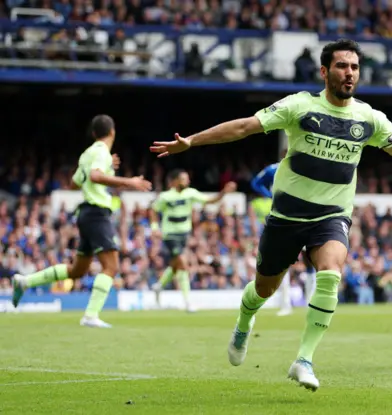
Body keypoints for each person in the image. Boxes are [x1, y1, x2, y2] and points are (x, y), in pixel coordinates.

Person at [150, 38, 392, 391]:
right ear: (325, 71)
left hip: (332, 215)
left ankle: (304, 359)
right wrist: (191, 141)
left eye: (355, 67)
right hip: (287, 216)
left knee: (331, 272)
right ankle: (244, 320)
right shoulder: (299, 106)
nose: (350, 73)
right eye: (342, 66)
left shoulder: (368, 118)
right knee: (264, 288)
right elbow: (244, 127)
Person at [11, 114, 152, 327]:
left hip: (86, 214)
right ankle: (90, 315)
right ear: (112, 132)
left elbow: (76, 183)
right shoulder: (100, 152)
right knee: (111, 266)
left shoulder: (87, 154)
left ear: (94, 133)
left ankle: (24, 281)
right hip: (96, 213)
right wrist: (128, 182)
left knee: (77, 270)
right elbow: (95, 177)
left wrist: (107, 168)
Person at [150, 169, 236, 312]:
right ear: (175, 181)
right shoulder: (165, 197)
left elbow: (210, 200)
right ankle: (188, 302)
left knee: (176, 266)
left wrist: (224, 192)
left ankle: (158, 286)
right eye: (184, 179)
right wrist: (154, 227)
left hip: (184, 235)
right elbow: (153, 210)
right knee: (183, 264)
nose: (187, 181)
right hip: (170, 235)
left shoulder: (191, 193)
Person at [251, 162, 295, 316]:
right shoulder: (273, 169)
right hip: (282, 218)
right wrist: (270, 195)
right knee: (282, 262)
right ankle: (286, 303)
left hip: (302, 217)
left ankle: (310, 301)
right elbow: (255, 183)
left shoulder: (307, 164)